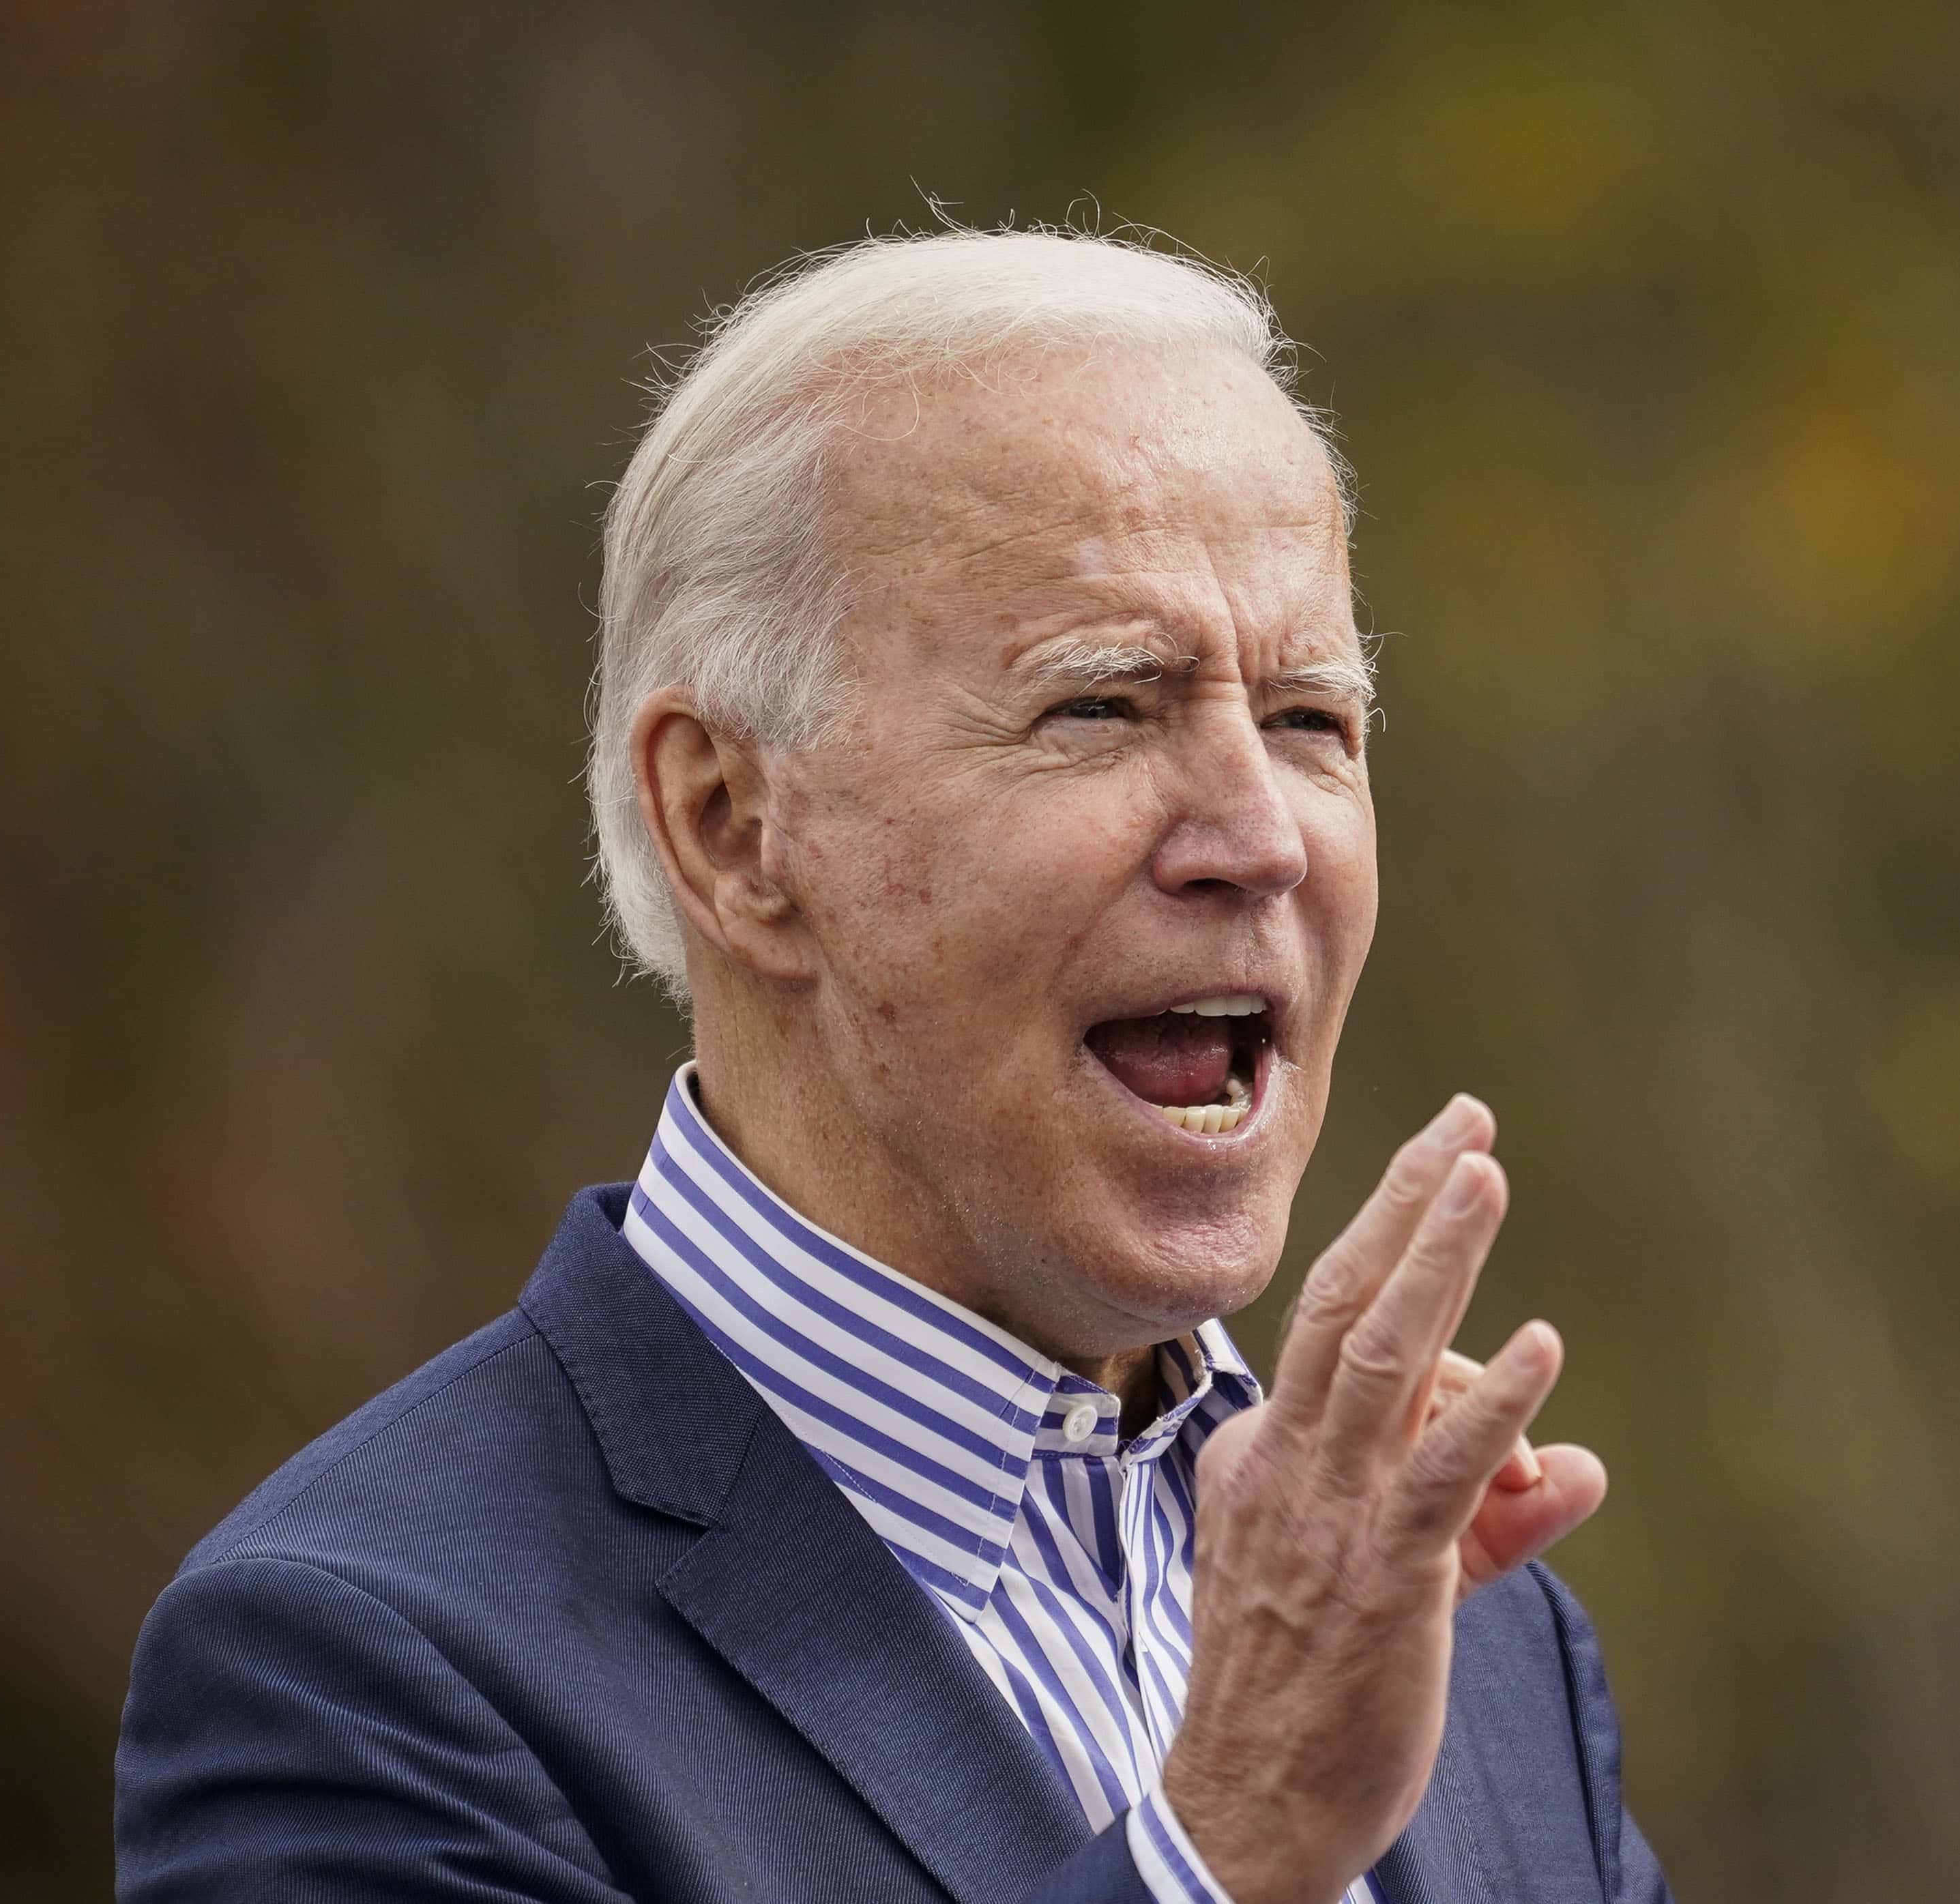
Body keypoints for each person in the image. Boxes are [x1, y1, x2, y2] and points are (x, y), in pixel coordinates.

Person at [113, 229, 1672, 1904]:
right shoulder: (363, 1667)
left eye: (1308, 720)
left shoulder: (1475, 1635)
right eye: (1100, 706)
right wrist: (1223, 1856)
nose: (1255, 837)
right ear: (731, 825)